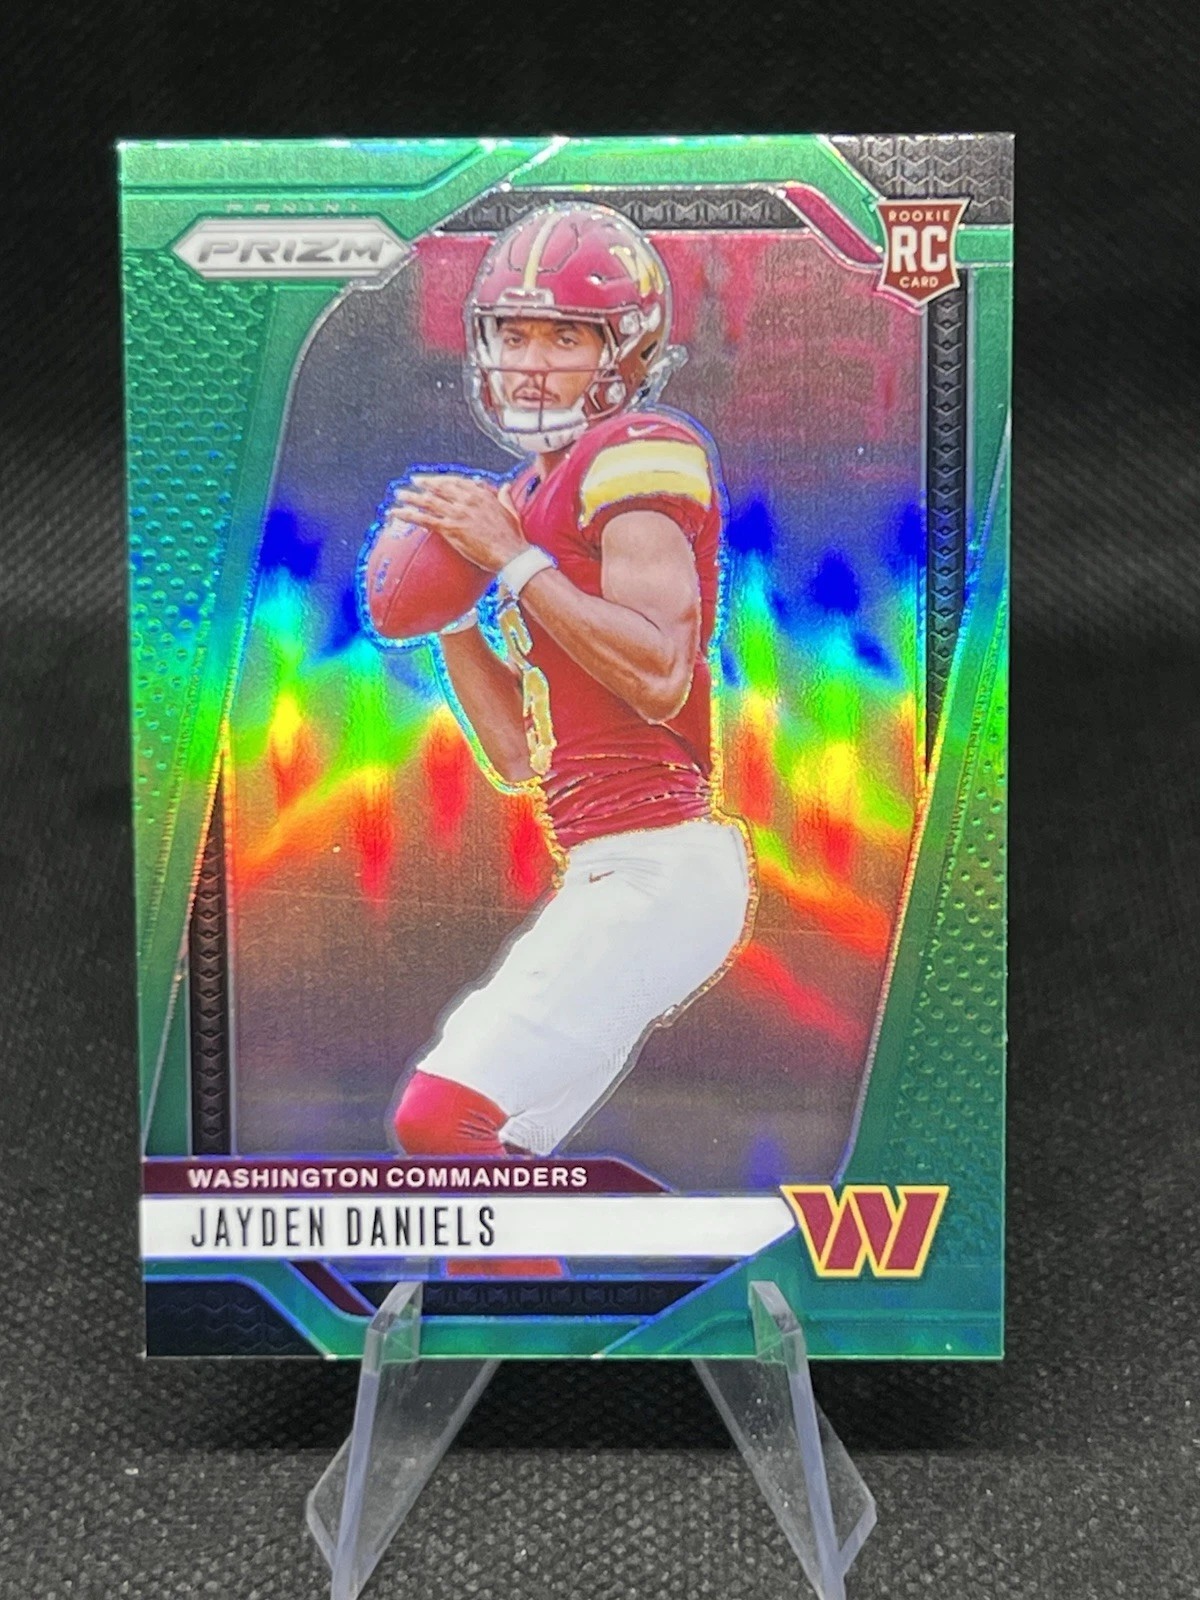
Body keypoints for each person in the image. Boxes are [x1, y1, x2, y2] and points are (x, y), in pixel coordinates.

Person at [376, 202, 755, 1162]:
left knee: (439, 1117)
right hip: (603, 863)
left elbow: (660, 675)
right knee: (495, 1148)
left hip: (661, 865)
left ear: (625, 353)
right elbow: (517, 757)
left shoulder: (635, 451)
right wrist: (450, 611)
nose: (531, 363)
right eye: (513, 334)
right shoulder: (518, 498)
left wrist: (511, 562)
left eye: (564, 337)